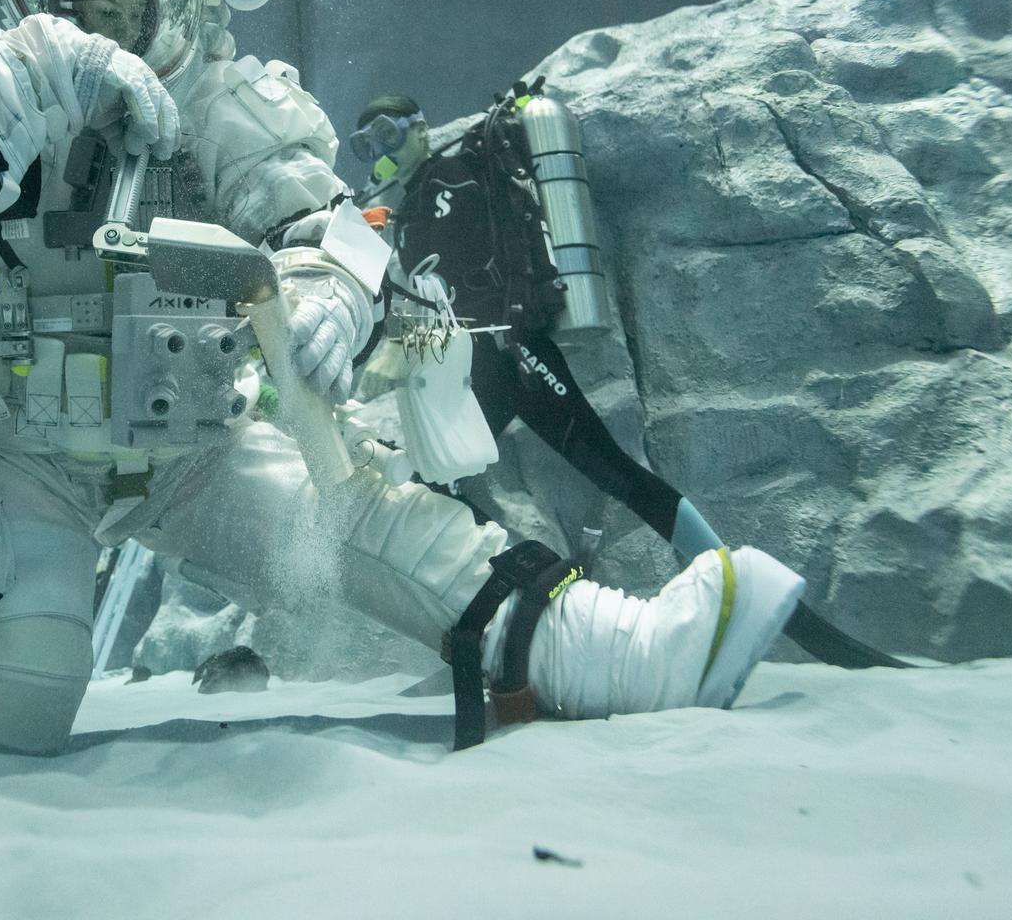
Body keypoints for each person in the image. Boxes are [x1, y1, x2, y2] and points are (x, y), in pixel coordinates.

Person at [0, 0, 805, 756]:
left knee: (360, 516)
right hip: (15, 450)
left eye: (131, 0)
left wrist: (328, 298)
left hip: (188, 437)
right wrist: (38, 75)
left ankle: (614, 649)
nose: (115, 19)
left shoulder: (214, 97)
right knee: (18, 689)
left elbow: (330, 223)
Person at [352, 88, 903, 671]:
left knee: (610, 472)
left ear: (419, 128)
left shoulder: (448, 183)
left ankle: (757, 603)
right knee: (446, 484)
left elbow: (459, 292)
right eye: (366, 145)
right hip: (480, 366)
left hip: (508, 354)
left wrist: (409, 332)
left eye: (388, 135)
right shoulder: (412, 205)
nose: (378, 155)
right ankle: (529, 604)